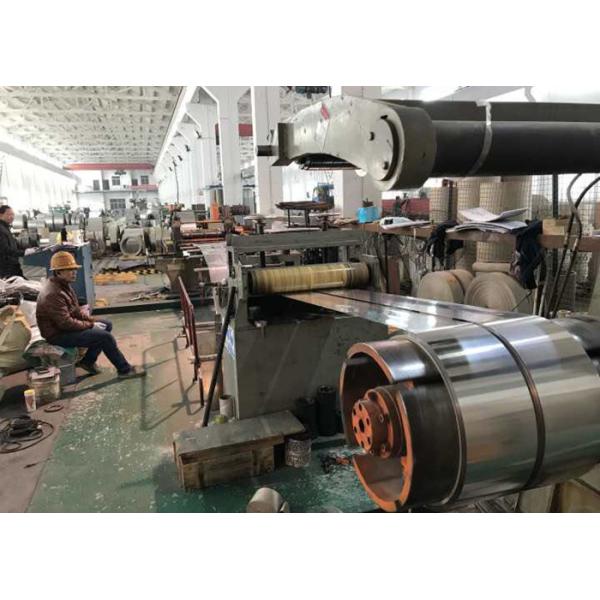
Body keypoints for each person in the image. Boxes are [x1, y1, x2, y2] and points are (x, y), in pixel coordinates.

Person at [36, 251, 145, 379]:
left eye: (74, 269)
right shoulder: (53, 293)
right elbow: (65, 323)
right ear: (58, 272)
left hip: (63, 328)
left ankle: (88, 361)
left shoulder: (64, 286)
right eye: (70, 270)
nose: (74, 272)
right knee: (105, 337)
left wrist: (92, 321)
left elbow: (76, 311)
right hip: (57, 335)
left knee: (106, 325)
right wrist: (90, 325)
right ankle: (125, 370)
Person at [0, 205, 26, 279]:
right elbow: (5, 249)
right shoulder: (1, 229)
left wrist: (28, 250)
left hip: (13, 265)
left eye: (13, 214)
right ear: (0, 215)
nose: (12, 217)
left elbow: (14, 244)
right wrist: (24, 253)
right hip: (6, 268)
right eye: (9, 214)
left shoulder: (5, 227)